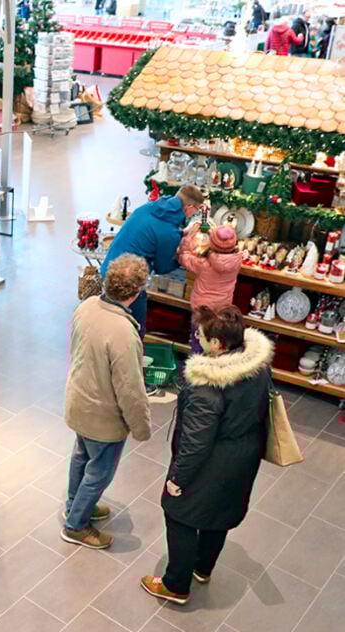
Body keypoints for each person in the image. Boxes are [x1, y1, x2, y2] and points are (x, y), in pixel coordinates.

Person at [141, 306, 272, 605]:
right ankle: (203, 567)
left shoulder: (207, 387)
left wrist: (177, 479)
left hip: (214, 460)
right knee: (220, 514)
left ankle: (175, 585)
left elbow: (196, 443)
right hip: (244, 456)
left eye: (201, 336)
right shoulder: (259, 366)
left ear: (218, 345)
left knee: (179, 515)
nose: (197, 341)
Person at [61, 254, 152, 550]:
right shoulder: (124, 332)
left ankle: (75, 506)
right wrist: (141, 427)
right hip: (104, 417)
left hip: (78, 402)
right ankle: (76, 525)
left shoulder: (86, 306)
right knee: (99, 472)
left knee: (81, 457)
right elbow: (130, 389)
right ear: (136, 292)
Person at [100, 185, 206, 339]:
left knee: (109, 320)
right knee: (135, 327)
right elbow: (162, 267)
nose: (195, 214)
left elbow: (152, 232)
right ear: (189, 208)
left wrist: (180, 233)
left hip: (109, 268)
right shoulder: (169, 233)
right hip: (129, 281)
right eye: (196, 210)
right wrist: (182, 256)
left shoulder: (148, 207)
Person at [178, 224, 242, 353]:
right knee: (216, 342)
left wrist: (188, 239)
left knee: (199, 340)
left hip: (202, 310)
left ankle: (196, 367)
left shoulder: (204, 264)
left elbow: (183, 257)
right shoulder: (237, 261)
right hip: (223, 308)